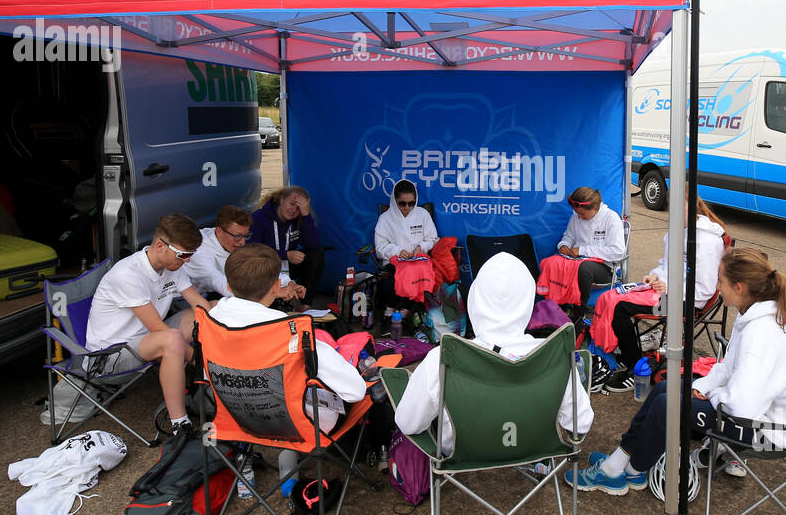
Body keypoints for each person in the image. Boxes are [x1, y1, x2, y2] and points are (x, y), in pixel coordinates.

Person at [568, 247, 786, 495]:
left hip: (774, 431)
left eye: (721, 280)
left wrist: (712, 395)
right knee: (666, 388)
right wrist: (700, 387)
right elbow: (728, 368)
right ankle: (624, 462)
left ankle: (624, 469)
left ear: (739, 287)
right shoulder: (757, 314)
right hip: (766, 414)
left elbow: (741, 408)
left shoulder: (760, 334)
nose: (717, 286)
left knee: (668, 405)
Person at [395, 252, 593, 456]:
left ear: (475, 298)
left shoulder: (442, 357)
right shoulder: (554, 356)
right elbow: (580, 424)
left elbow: (408, 423)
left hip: (462, 451)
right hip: (535, 446)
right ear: (527, 300)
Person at [208, 243, 366, 493]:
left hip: (233, 417)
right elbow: (355, 391)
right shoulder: (290, 330)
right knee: (350, 391)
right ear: (275, 287)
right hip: (295, 422)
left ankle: (280, 459)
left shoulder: (210, 321)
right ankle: (290, 459)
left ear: (228, 286)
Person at [77, 214, 213, 434]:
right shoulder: (127, 274)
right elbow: (158, 329)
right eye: (183, 254)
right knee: (171, 340)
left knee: (205, 312)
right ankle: (180, 423)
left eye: (191, 255)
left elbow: (200, 305)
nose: (187, 260)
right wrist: (204, 365)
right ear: (160, 246)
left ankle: (213, 379)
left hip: (143, 340)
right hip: (109, 356)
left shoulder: (173, 266)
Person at [597, 198, 728, 392]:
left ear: (693, 207)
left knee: (620, 308)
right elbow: (665, 265)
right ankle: (627, 355)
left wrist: (668, 287)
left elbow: (704, 290)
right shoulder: (674, 232)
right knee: (611, 296)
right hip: (668, 292)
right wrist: (655, 274)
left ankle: (635, 368)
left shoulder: (706, 240)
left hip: (687, 301)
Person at [184, 204, 303, 304]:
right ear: (219, 231)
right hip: (182, 302)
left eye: (245, 236)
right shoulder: (199, 250)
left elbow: (259, 268)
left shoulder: (232, 242)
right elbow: (219, 283)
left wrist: (289, 283)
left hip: (212, 293)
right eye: (237, 236)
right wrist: (275, 293)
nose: (242, 242)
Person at [372, 180, 438, 329]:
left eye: (411, 203)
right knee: (407, 272)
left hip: (418, 259)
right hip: (394, 261)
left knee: (420, 270)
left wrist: (421, 247)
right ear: (394, 201)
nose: (407, 207)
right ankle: (398, 309)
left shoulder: (423, 214)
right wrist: (397, 251)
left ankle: (405, 310)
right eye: (402, 203)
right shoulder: (385, 219)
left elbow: (433, 239)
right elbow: (380, 247)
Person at [552, 186, 626, 305]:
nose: (579, 217)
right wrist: (564, 245)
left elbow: (617, 252)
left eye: (582, 213)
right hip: (576, 261)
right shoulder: (576, 216)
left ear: (595, 207)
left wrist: (582, 250)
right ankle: (557, 307)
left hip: (604, 267)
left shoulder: (611, 218)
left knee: (584, 268)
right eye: (577, 213)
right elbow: (569, 236)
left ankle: (579, 309)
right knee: (552, 263)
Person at [250, 185, 325, 296]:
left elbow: (313, 245)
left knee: (316, 255)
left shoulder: (298, 219)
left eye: (299, 207)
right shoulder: (259, 217)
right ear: (281, 200)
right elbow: (252, 250)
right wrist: (285, 255)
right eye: (291, 204)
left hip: (286, 266)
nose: (293, 210)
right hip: (264, 266)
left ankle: (305, 305)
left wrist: (306, 215)